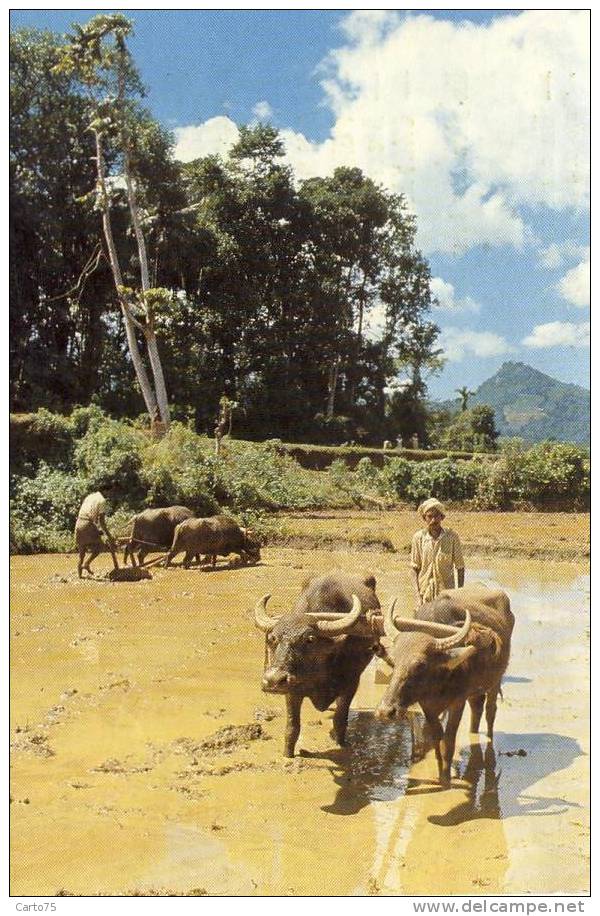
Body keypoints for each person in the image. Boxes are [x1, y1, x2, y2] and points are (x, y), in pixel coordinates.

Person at [410, 497, 464, 606]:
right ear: (424, 518)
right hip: (424, 595)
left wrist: (459, 596)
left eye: (436, 516)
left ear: (442, 517)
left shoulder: (452, 537)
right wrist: (417, 597)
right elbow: (414, 569)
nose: (433, 520)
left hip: (446, 596)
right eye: (429, 516)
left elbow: (460, 567)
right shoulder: (418, 538)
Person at [75, 491, 119, 578]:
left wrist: (98, 531)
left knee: (81, 552)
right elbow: (101, 522)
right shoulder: (102, 500)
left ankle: (80, 575)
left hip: (78, 524)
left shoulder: (89, 497)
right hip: (87, 524)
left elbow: (88, 513)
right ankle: (87, 563)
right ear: (107, 492)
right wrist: (109, 536)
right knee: (100, 547)